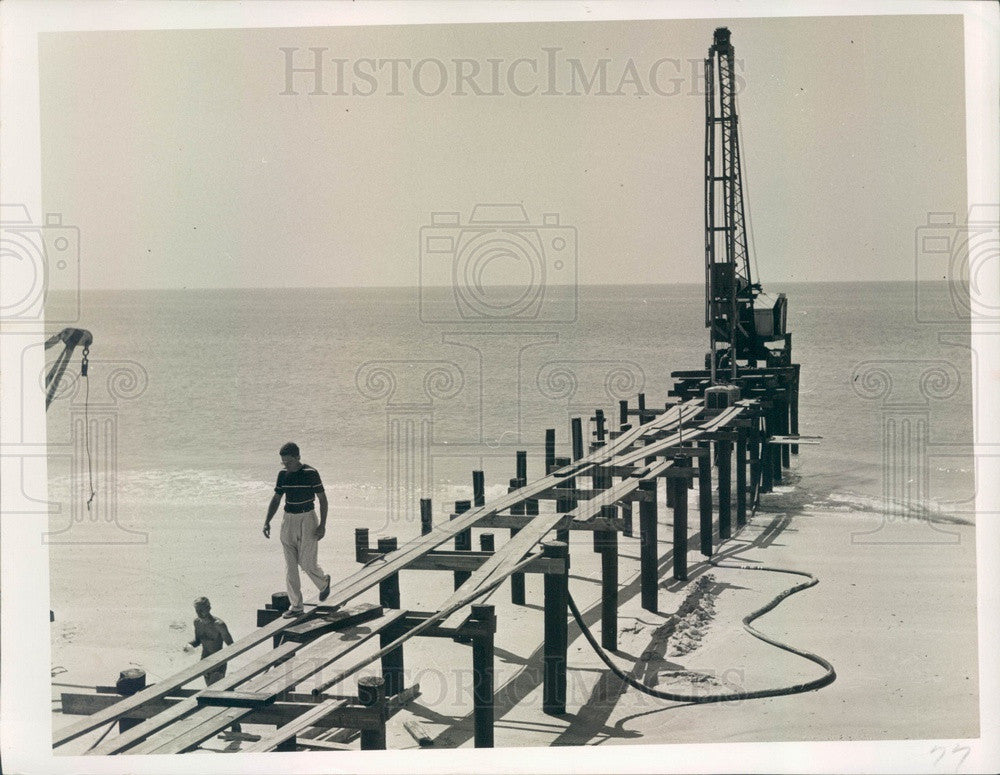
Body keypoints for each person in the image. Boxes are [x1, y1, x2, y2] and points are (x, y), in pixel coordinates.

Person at [263, 442, 331, 618]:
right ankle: (296, 606)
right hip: (288, 521)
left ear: (298, 457)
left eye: (289, 462)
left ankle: (323, 583)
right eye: (283, 463)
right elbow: (277, 498)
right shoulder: (283, 474)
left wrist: (322, 525)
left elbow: (323, 499)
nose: (286, 466)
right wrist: (267, 521)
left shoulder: (311, 473)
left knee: (307, 562)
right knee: (291, 566)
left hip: (308, 518)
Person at [183, 597, 234, 685]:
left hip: (218, 662)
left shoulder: (219, 625)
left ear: (208, 608)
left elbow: (232, 646)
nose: (199, 613)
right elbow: (198, 640)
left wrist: (223, 662)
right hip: (204, 660)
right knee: (209, 690)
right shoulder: (197, 623)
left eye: (201, 610)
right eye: (197, 610)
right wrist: (189, 645)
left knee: (214, 692)